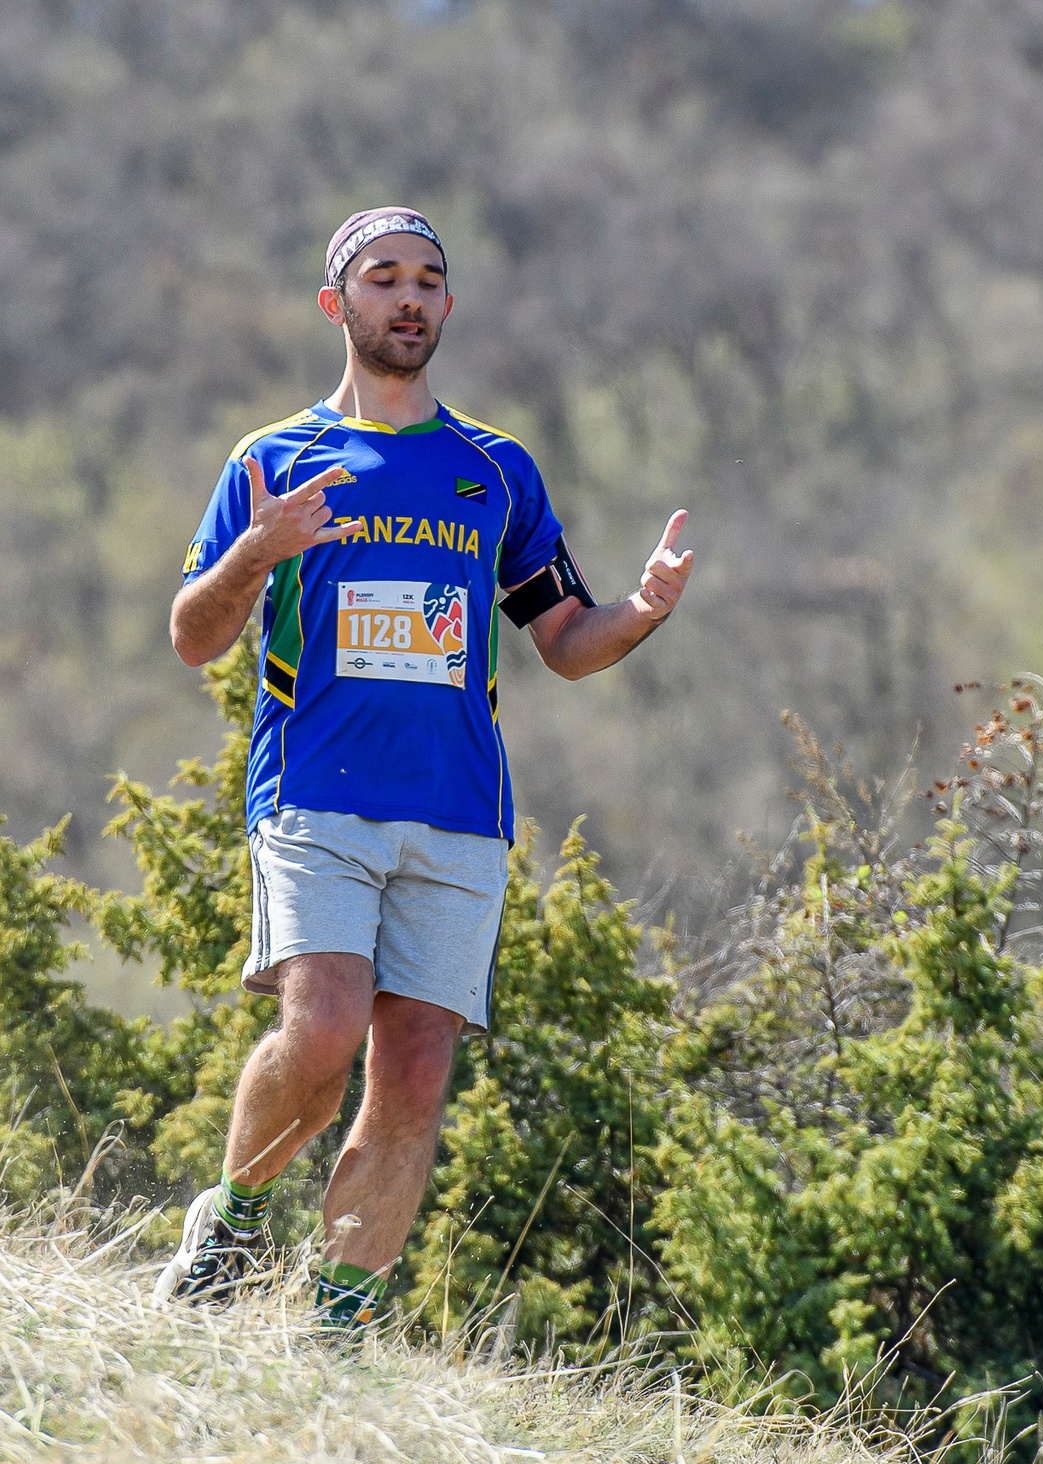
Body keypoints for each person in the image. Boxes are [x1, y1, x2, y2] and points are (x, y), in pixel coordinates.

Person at [156, 206, 695, 1327]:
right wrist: (259, 551)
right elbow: (194, 636)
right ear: (335, 304)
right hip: (315, 797)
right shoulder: (272, 460)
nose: (408, 297)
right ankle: (234, 1225)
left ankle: (340, 1321)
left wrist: (639, 612)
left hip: (458, 818)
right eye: (383, 278)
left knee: (411, 1077)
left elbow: (563, 642)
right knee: (323, 1027)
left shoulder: (493, 471)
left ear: (447, 306)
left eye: (428, 280)